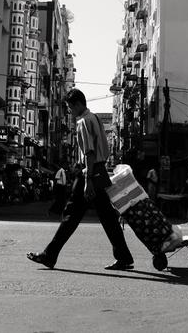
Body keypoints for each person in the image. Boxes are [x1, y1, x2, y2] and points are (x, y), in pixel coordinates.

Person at [27, 89, 134, 271]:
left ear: (77, 104)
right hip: (99, 171)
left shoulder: (83, 121)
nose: (69, 111)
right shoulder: (95, 118)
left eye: (70, 107)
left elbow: (89, 153)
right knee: (107, 217)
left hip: (89, 173)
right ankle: (124, 257)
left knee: (72, 215)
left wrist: (88, 180)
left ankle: (49, 255)